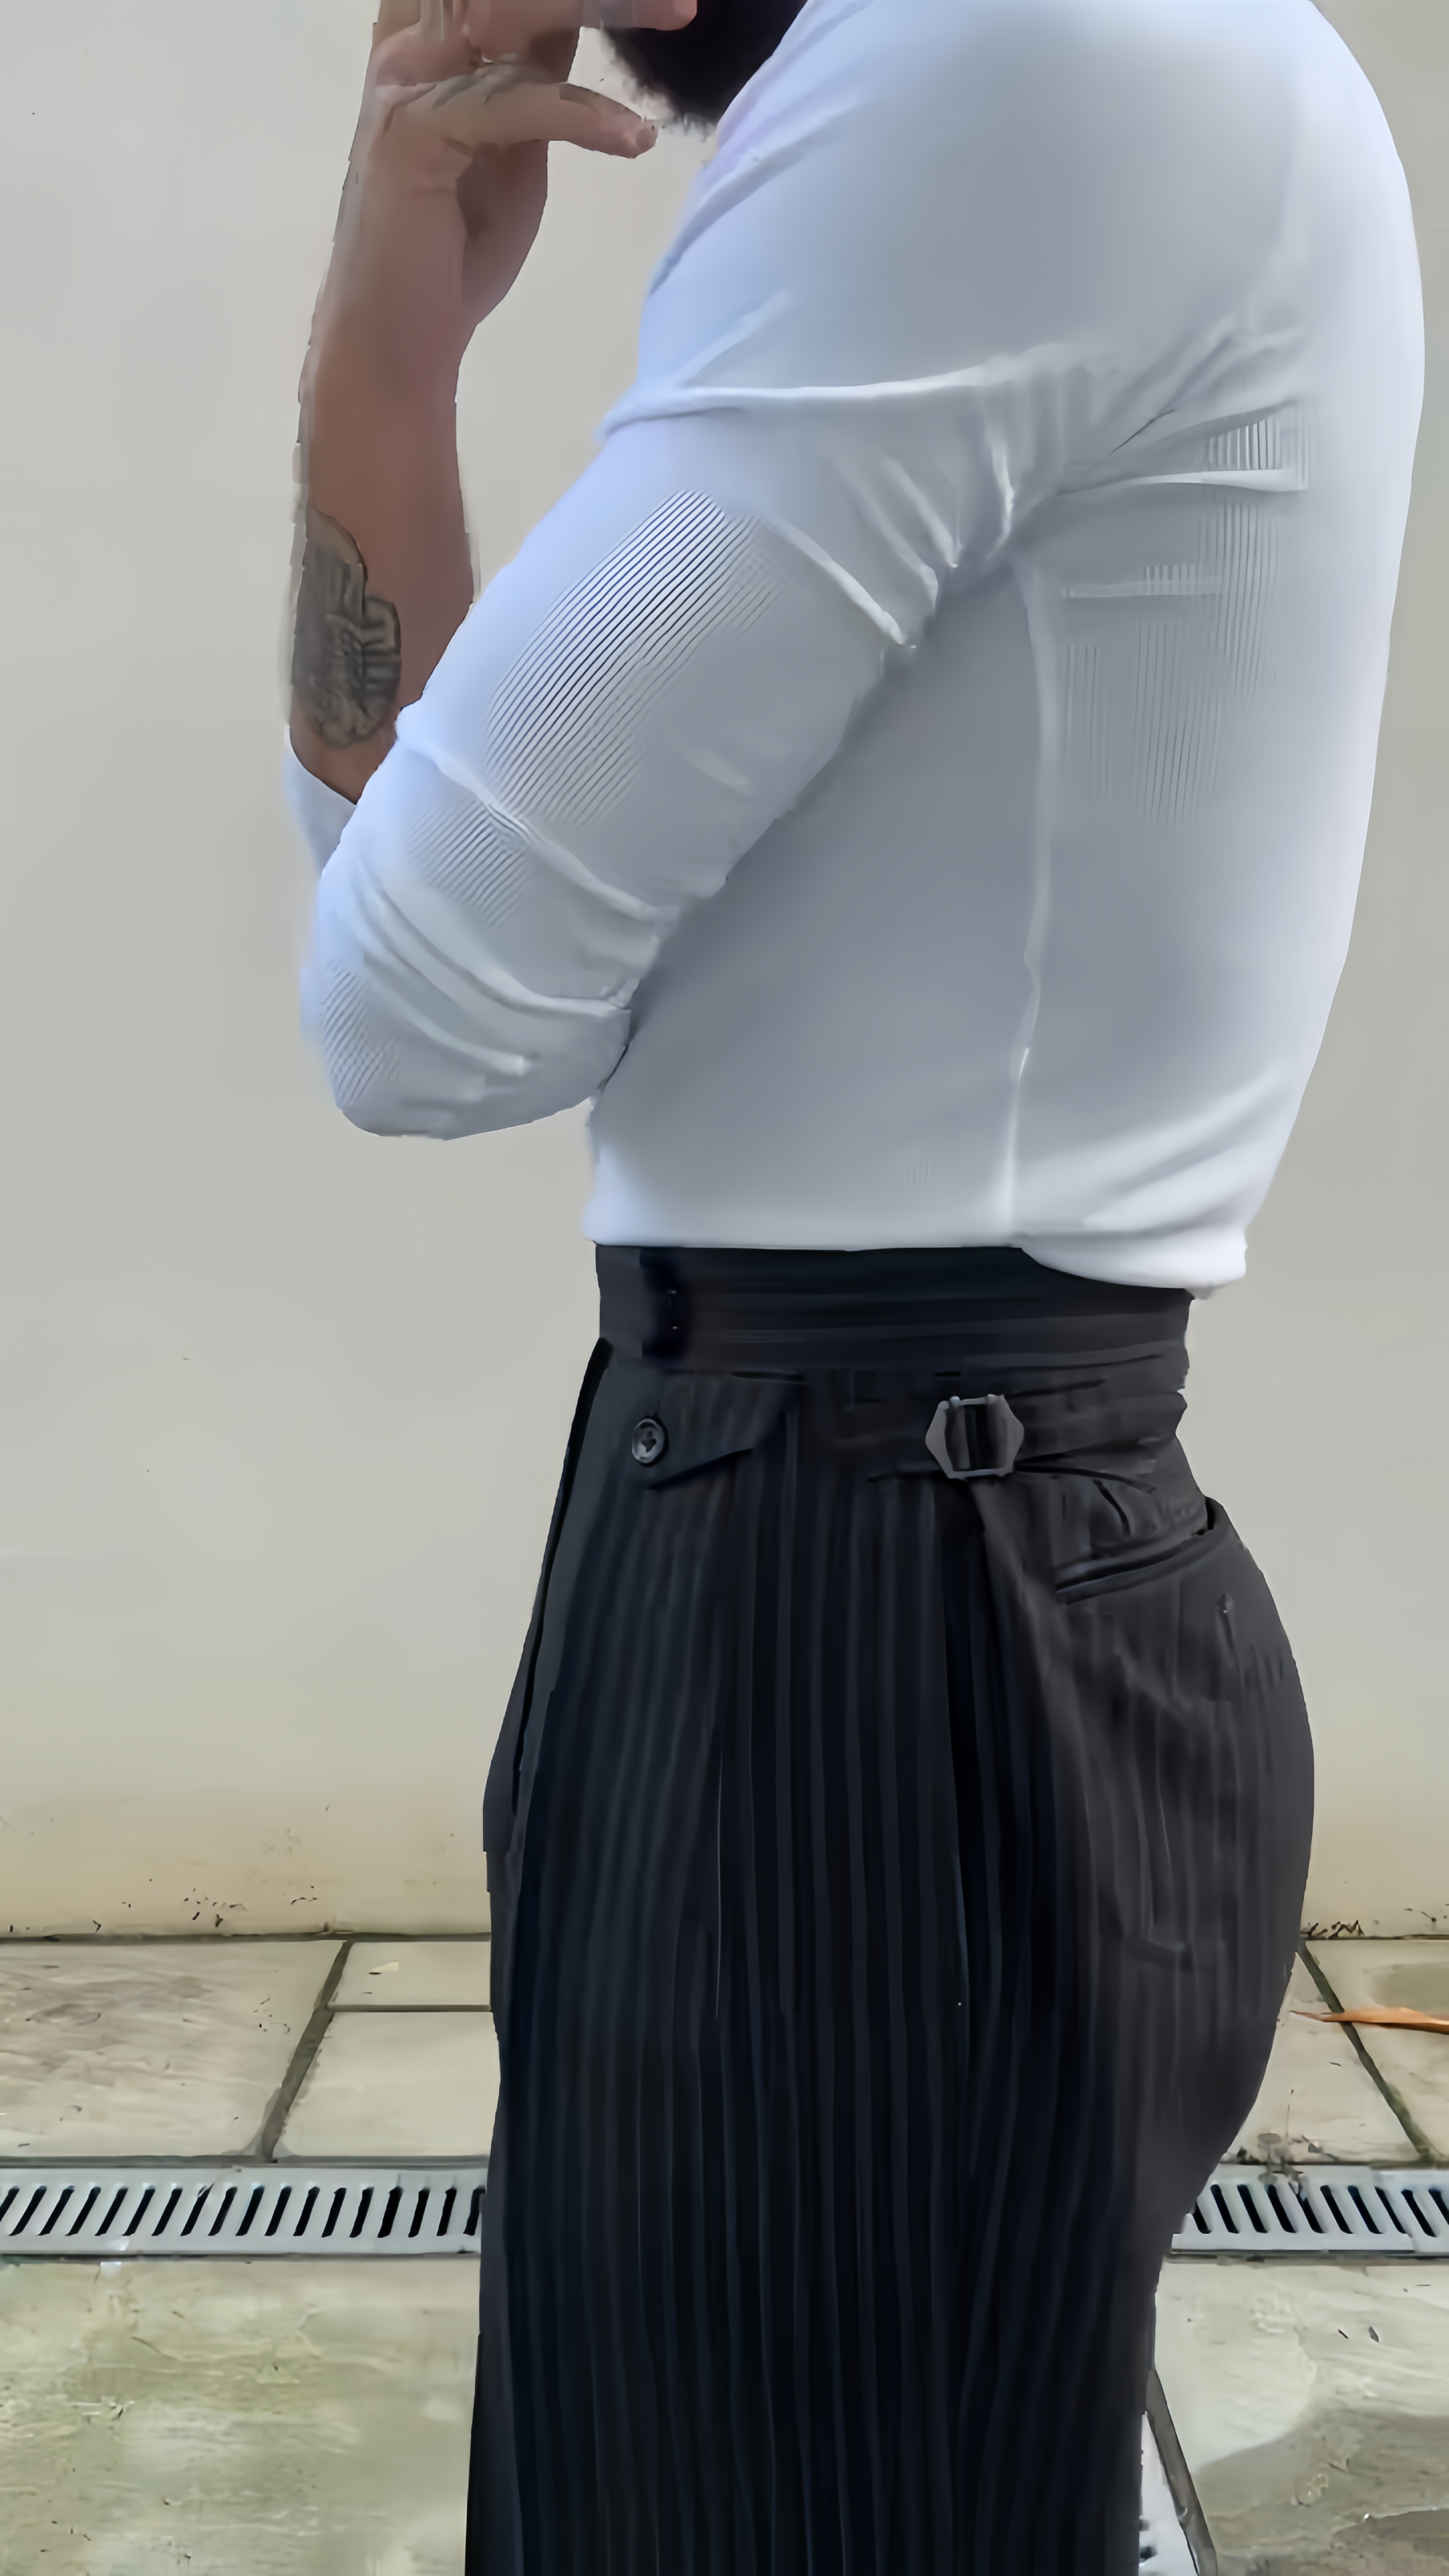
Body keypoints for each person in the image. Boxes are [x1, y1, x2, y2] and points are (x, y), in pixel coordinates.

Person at [283, 0, 1422, 2565]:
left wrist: (370, 345)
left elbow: (419, 1006)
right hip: (903, 1563)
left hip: (870, 1614)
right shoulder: (1136, 63)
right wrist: (394, 326)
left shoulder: (1002, 56)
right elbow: (449, 977)